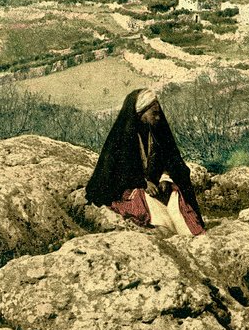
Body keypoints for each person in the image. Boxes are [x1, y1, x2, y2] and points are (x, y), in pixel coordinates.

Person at [86, 88, 205, 236]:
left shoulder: (156, 133)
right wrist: (142, 183)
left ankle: (188, 233)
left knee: (175, 195)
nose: (158, 118)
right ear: (140, 113)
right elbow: (116, 172)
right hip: (130, 190)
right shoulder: (122, 138)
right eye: (154, 114)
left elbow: (170, 161)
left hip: (155, 187)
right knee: (157, 213)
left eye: (158, 113)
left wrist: (165, 178)